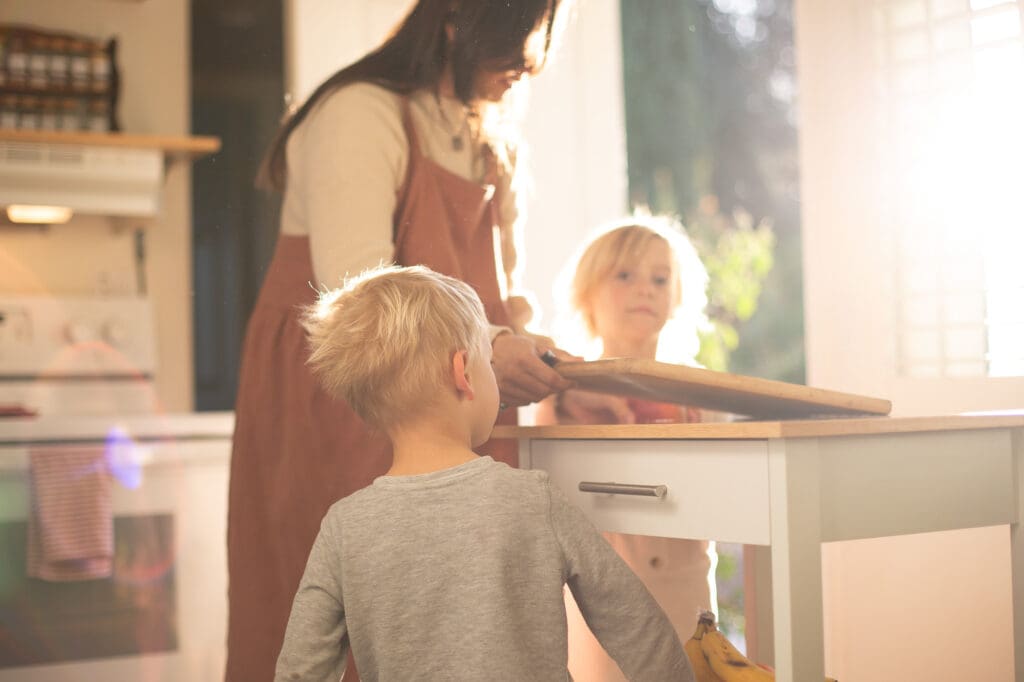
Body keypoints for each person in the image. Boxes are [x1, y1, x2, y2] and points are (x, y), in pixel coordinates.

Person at [227, 2, 576, 680]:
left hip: (459, 388)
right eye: (515, 37)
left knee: (465, 613)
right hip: (351, 390)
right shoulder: (360, 114)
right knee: (352, 604)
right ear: (453, 21)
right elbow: (359, 290)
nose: (529, 60)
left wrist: (530, 346)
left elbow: (504, 288)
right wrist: (491, 341)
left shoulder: (488, 139)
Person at [273, 264, 695, 682]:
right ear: (464, 373)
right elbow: (633, 622)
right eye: (488, 362)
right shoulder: (533, 498)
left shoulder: (346, 526)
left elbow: (300, 669)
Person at [536, 217, 717, 682]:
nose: (646, 290)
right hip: (604, 603)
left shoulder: (696, 394)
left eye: (660, 279)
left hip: (688, 592)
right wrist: (567, 395)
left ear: (677, 296)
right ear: (586, 291)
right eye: (625, 275)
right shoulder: (567, 394)